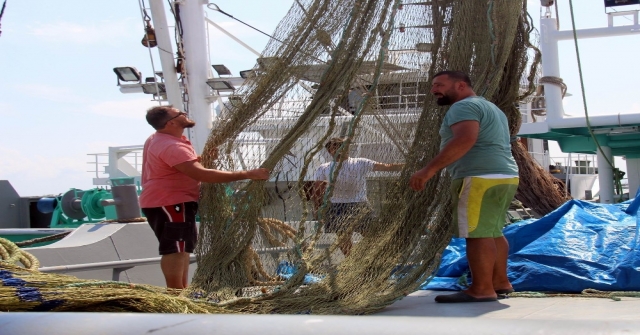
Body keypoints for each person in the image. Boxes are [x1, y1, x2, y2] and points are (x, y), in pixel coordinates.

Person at [409, 71, 519, 303]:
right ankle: (500, 282)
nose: (434, 90)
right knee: (492, 231)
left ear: (460, 86)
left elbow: (465, 139)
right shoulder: (492, 108)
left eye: (439, 84)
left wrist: (428, 170)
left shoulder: (462, 107)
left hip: (479, 177)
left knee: (476, 234)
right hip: (505, 175)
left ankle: (481, 289)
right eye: (433, 86)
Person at [139, 105, 270, 290]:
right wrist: (247, 173)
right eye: (180, 114)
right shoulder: (172, 145)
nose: (185, 114)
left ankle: (180, 290)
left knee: (182, 247)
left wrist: (199, 159)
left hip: (165, 201)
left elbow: (178, 165)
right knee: (175, 249)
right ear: (172, 122)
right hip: (171, 202)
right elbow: (203, 176)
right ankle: (175, 292)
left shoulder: (158, 139)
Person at [312, 137, 403, 255]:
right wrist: (317, 209)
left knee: (372, 235)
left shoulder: (360, 162)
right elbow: (317, 190)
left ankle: (369, 259)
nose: (339, 150)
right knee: (344, 240)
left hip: (359, 204)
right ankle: (351, 263)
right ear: (330, 152)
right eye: (334, 148)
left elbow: (386, 167)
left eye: (341, 147)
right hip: (337, 206)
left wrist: (408, 165)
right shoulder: (324, 168)